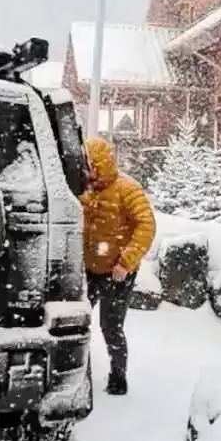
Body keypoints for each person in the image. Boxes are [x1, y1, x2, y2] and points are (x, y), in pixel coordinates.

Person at [80, 136, 156, 396]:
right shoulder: (85, 190)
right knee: (76, 323)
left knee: (111, 327)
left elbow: (146, 226)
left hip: (117, 273)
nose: (86, 171)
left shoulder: (127, 189)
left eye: (89, 165)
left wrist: (125, 262)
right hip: (88, 269)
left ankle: (118, 376)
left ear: (100, 164)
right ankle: (78, 374)